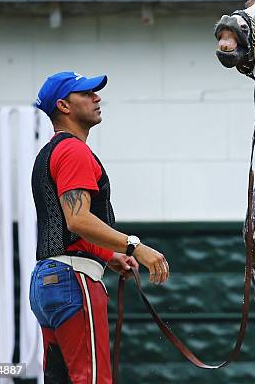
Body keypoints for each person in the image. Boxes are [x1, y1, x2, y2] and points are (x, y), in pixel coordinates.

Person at [29, 71, 170, 384]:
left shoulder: (49, 152)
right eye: (87, 93)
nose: (97, 97)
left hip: (46, 282)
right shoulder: (74, 150)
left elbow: (67, 228)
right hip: (73, 283)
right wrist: (136, 247)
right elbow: (77, 219)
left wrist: (108, 256)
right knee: (92, 379)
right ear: (64, 106)